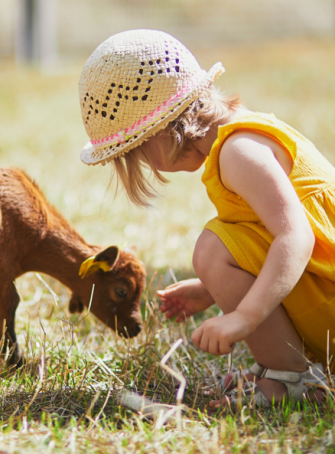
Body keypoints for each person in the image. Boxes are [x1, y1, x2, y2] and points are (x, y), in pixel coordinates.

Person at [78, 29, 334, 408]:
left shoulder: (239, 152)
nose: (147, 166)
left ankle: (291, 380)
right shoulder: (238, 137)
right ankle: (287, 372)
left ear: (162, 131)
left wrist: (245, 316)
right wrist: (212, 289)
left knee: (213, 248)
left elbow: (297, 238)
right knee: (217, 251)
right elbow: (269, 237)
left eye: (139, 154)